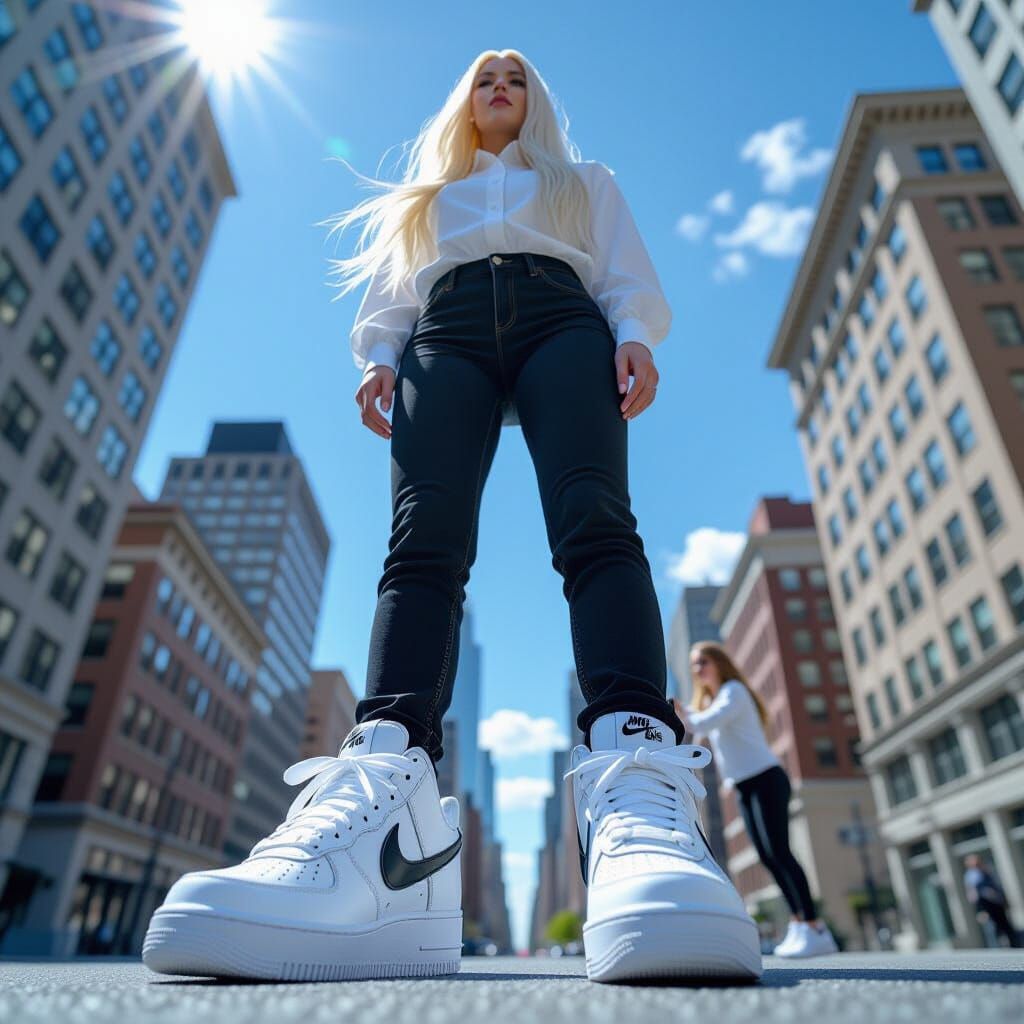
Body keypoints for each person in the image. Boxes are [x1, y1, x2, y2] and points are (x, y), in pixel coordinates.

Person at [142, 49, 762, 985]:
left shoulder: (584, 183)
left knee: (595, 520)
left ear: (536, 100)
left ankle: (636, 776)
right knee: (421, 537)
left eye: (516, 76)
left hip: (566, 320)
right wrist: (376, 355)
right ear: (465, 102)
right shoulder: (430, 196)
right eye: (485, 78)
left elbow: (625, 275)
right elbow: (393, 291)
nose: (501, 85)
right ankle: (392, 773)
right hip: (447, 328)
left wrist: (632, 335)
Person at [674, 641, 839, 959]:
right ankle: (800, 923)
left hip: (766, 779)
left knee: (780, 852)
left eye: (703, 662)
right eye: (694, 665)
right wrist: (686, 711)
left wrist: (681, 711)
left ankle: (816, 927)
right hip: (745, 786)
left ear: (719, 662)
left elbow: (701, 723)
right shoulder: (716, 699)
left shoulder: (734, 691)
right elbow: (699, 720)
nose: (698, 669)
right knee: (767, 856)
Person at [963, 854, 1021, 948]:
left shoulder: (985, 871)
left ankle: (1014, 946)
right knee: (992, 929)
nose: (976, 862)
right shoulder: (971, 875)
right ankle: (997, 950)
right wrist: (980, 910)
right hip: (986, 905)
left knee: (1006, 926)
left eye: (977, 860)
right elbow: (973, 895)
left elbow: (996, 887)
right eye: (973, 861)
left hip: (997, 904)